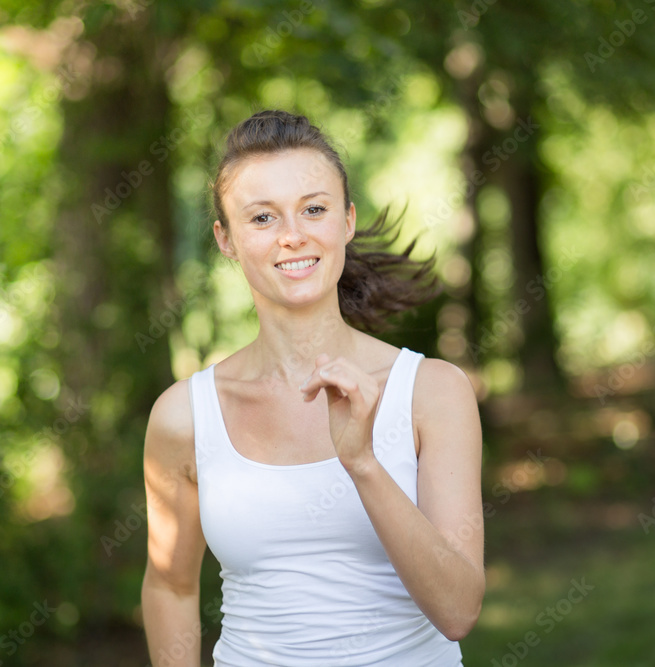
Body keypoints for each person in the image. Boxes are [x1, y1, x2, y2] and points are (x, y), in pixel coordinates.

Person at [140, 109, 485, 666]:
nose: (293, 235)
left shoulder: (432, 393)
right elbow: (170, 585)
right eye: (262, 218)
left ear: (346, 220)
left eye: (314, 209)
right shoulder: (186, 415)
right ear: (225, 240)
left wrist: (363, 464)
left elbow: (458, 611)